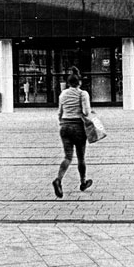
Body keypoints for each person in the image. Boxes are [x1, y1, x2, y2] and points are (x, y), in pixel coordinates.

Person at [52, 67, 93, 198]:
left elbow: (59, 112)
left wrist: (62, 122)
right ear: (79, 82)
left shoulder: (63, 94)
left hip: (64, 126)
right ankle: (83, 182)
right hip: (78, 127)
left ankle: (58, 179)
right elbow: (86, 112)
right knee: (81, 157)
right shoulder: (83, 94)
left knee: (68, 157)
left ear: (68, 83)